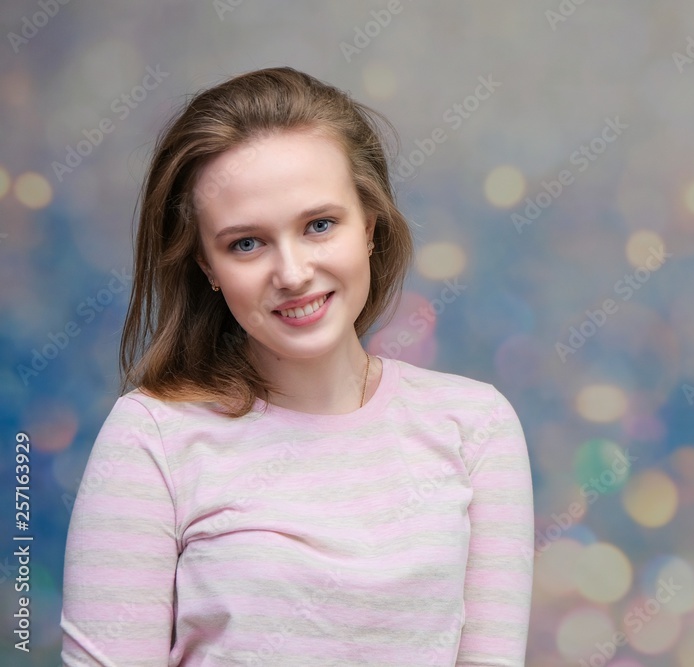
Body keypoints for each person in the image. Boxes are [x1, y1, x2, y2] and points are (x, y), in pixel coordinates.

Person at [60, 66, 535, 666]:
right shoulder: (149, 438)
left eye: (319, 225)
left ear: (370, 223)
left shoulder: (476, 427)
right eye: (246, 243)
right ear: (207, 266)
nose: (292, 273)